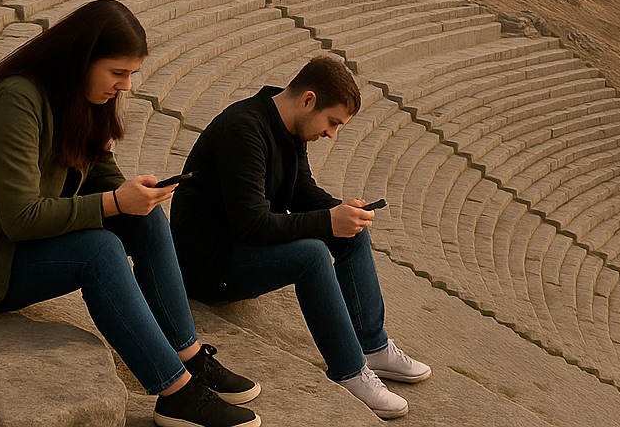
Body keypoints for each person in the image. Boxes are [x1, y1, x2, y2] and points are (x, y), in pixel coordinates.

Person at [0, 0, 261, 427]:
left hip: (4, 245)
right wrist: (114, 204)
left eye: (131, 75)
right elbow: (21, 217)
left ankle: (187, 355)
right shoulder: (15, 100)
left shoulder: (79, 98)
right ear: (81, 58)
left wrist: (136, 197)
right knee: (100, 250)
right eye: (118, 73)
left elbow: (102, 174)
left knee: (144, 217)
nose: (126, 86)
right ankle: (175, 394)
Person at [170, 56, 431, 420]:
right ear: (309, 100)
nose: (331, 134)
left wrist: (342, 211)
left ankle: (372, 346)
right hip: (208, 265)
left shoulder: (289, 126)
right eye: (332, 122)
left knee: (351, 232)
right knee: (311, 255)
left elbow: (299, 190)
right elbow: (253, 225)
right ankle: (349, 371)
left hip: (239, 246)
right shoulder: (243, 130)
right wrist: (327, 221)